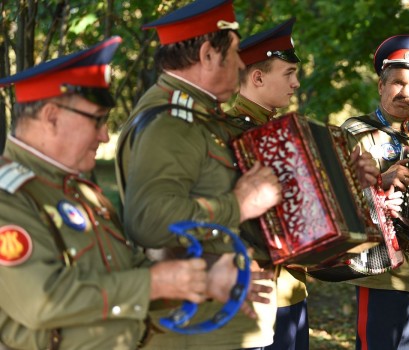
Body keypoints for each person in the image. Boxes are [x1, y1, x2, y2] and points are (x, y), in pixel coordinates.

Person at [0, 36, 249, 350]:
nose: (105, 136)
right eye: (97, 120)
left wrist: (206, 280)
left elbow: (127, 269)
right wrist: (155, 283)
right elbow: (40, 301)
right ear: (51, 117)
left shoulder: (81, 192)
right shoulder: (8, 197)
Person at [114, 0, 282, 349]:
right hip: (201, 328)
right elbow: (147, 220)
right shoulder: (171, 123)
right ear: (207, 54)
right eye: (235, 53)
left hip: (225, 319)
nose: (241, 64)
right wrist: (236, 205)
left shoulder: (202, 117)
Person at [228, 18, 379, 349]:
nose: (296, 83)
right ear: (257, 77)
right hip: (253, 294)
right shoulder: (229, 134)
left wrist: (350, 180)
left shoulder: (285, 133)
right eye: (289, 74)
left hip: (292, 291)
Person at [341, 35, 409, 350]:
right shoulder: (354, 132)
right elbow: (335, 196)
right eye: (397, 83)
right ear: (380, 86)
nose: (405, 92)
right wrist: (380, 180)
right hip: (379, 269)